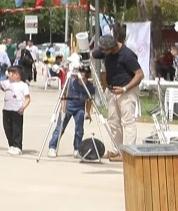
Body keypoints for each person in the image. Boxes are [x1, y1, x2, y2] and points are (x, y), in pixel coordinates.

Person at [93, 28, 145, 159]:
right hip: (112, 91)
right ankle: (117, 149)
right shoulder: (108, 52)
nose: (104, 53)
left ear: (112, 47)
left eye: (105, 50)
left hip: (126, 91)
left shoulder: (127, 55)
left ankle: (127, 152)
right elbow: (95, 54)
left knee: (127, 122)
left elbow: (139, 75)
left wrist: (125, 89)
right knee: (113, 121)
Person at [47, 66, 94, 158]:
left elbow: (89, 100)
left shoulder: (90, 86)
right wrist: (63, 109)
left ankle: (77, 148)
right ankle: (52, 147)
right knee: (60, 128)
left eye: (83, 71)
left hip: (80, 108)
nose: (81, 73)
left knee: (79, 129)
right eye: (80, 71)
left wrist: (88, 112)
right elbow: (63, 95)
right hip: (68, 107)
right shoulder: (71, 82)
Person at [0, 64, 31, 154]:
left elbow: (28, 98)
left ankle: (18, 147)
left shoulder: (23, 85)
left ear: (17, 74)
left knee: (17, 129)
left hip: (17, 110)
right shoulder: (7, 83)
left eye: (10, 73)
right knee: (7, 128)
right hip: (6, 109)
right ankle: (11, 145)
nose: (8, 75)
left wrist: (23, 107)